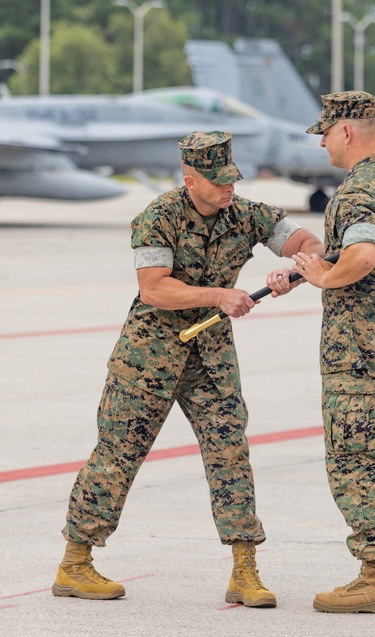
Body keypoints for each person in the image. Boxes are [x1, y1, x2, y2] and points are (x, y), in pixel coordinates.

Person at [54, 131, 326, 607]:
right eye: (218, 182)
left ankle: (245, 571)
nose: (229, 190)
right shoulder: (157, 218)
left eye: (232, 179)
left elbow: (303, 239)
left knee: (230, 453)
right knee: (118, 454)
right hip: (148, 356)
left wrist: (298, 268)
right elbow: (154, 289)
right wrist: (218, 295)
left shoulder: (245, 214)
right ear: (190, 179)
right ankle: (75, 563)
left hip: (211, 359)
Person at [268, 91, 375, 613]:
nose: (320, 141)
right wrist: (305, 271)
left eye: (325, 132)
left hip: (359, 353)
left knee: (353, 460)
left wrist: (325, 277)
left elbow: (364, 253)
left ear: (346, 133)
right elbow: (373, 255)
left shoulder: (357, 192)